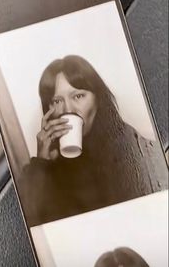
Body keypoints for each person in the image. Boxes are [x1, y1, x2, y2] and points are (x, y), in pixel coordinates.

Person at [19, 55, 168, 226]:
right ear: (49, 110)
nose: (68, 109)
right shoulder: (51, 167)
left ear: (98, 99)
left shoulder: (133, 150)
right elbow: (32, 223)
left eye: (78, 96)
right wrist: (41, 163)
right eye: (57, 100)